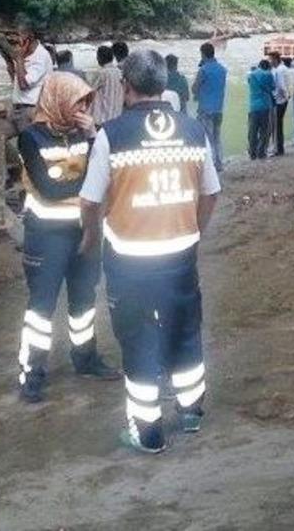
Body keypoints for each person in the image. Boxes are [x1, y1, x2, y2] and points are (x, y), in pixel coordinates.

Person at [78, 50, 221, 453]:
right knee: (185, 328)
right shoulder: (193, 130)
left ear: (126, 87)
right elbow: (211, 192)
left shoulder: (112, 135)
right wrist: (195, 229)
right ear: (163, 84)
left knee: (139, 339)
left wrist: (91, 238)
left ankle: (148, 431)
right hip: (180, 252)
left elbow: (90, 202)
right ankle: (192, 411)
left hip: (130, 258)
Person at [15, 73, 120, 403]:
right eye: (79, 101)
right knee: (41, 307)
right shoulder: (31, 138)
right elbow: (47, 188)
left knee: (84, 302)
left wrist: (92, 136)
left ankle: (85, 358)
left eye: (87, 102)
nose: (83, 108)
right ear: (58, 98)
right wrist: (89, 186)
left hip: (85, 230)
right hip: (46, 236)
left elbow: (109, 171)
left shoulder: (87, 135)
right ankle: (32, 373)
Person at [8, 26, 55, 134]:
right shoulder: (28, 54)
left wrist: (19, 59)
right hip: (19, 108)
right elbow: (17, 82)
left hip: (30, 109)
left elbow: (24, 84)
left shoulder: (40, 56)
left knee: (30, 144)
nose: (16, 40)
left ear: (30, 38)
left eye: (19, 35)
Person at [192, 42, 227, 172]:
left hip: (205, 109)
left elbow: (194, 88)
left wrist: (198, 91)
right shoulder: (222, 69)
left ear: (203, 54)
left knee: (208, 138)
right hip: (219, 108)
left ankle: (210, 165)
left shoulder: (203, 70)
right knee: (217, 137)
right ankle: (219, 163)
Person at [90, 45, 124, 127]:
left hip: (102, 119)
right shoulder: (120, 73)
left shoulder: (101, 73)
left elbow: (91, 91)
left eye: (97, 57)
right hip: (116, 116)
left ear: (100, 58)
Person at [247, 60, 274, 160]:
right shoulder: (268, 75)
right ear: (267, 67)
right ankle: (261, 152)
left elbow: (249, 82)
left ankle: (252, 153)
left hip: (253, 106)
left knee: (252, 131)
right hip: (265, 105)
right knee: (264, 130)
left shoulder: (251, 75)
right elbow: (272, 87)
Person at [269, 52, 289, 156]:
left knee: (276, 126)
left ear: (275, 59)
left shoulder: (279, 70)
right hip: (282, 100)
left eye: (270, 59)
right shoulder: (283, 68)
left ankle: (277, 149)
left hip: (279, 101)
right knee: (279, 125)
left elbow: (281, 86)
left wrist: (284, 97)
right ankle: (279, 147)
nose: (269, 62)